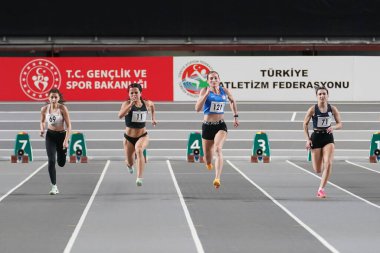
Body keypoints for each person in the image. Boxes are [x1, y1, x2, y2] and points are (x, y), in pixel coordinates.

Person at [195, 71, 239, 189]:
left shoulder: (224, 90)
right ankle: (209, 163)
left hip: (220, 126)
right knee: (207, 158)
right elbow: (197, 109)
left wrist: (235, 116)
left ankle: (217, 178)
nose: (213, 80)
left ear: (219, 79)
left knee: (218, 149)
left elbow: (232, 101)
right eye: (211, 79)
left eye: (215, 78)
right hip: (207, 126)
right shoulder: (204, 90)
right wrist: (206, 95)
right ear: (208, 81)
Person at [303, 86, 342, 198]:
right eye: (320, 94)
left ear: (327, 95)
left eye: (324, 93)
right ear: (317, 96)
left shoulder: (333, 109)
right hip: (316, 137)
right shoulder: (312, 109)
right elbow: (304, 124)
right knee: (318, 169)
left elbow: (340, 124)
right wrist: (308, 139)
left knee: (328, 163)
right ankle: (313, 153)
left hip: (328, 137)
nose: (322, 96)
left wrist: (333, 127)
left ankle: (321, 189)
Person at [118, 83, 157, 186]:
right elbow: (120, 115)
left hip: (142, 135)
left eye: (136, 92)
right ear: (129, 94)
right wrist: (130, 105)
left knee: (139, 149)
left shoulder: (146, 103)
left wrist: (153, 118)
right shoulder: (126, 104)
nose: (134, 95)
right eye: (131, 93)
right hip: (129, 138)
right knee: (130, 162)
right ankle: (129, 165)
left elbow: (153, 105)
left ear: (140, 93)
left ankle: (139, 178)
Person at [40, 88, 71, 195]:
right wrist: (42, 129)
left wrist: (66, 141)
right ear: (48, 98)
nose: (53, 99)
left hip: (62, 136)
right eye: (51, 97)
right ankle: (54, 186)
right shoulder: (44, 109)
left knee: (61, 163)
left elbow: (69, 126)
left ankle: (64, 151)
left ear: (58, 98)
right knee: (51, 160)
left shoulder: (62, 109)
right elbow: (42, 121)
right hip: (50, 136)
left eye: (55, 97)